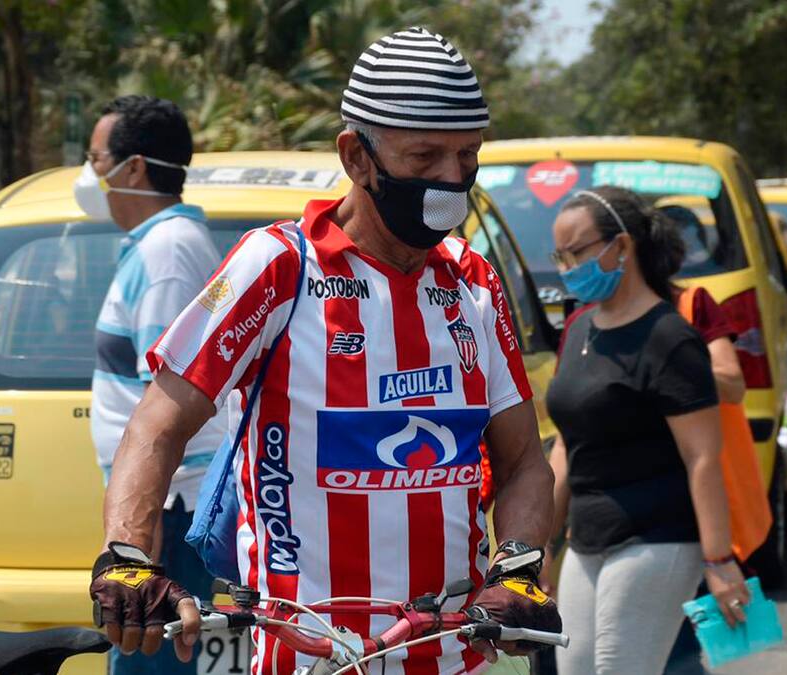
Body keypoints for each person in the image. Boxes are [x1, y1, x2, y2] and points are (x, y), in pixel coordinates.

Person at [87, 27, 561, 674]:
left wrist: (520, 568)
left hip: (458, 656)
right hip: (307, 656)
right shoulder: (278, 267)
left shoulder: (473, 282)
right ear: (356, 156)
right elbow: (156, 425)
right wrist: (128, 557)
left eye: (468, 155)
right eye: (425, 157)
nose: (453, 179)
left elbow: (525, 459)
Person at [542, 188, 749, 674]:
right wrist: (540, 546)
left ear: (622, 246)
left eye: (577, 252)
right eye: (560, 256)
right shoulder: (578, 329)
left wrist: (719, 561)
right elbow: (567, 446)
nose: (568, 268)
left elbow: (702, 457)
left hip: (657, 538)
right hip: (587, 538)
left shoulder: (670, 337)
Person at [76, 95, 227, 674]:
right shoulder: (160, 245)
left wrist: (142, 538)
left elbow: (166, 405)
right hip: (163, 507)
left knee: (149, 665)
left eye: (96, 159)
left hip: (169, 508)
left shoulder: (168, 253)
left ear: (133, 168)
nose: (91, 175)